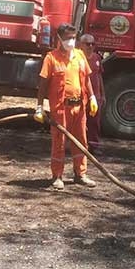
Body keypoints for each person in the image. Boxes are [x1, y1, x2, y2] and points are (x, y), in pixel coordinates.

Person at [34, 24, 99, 190]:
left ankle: (81, 174)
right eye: (68, 37)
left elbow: (86, 79)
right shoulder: (51, 58)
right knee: (59, 142)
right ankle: (57, 176)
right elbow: (43, 84)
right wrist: (39, 106)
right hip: (61, 108)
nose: (71, 41)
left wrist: (92, 97)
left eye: (73, 37)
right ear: (60, 39)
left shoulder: (79, 56)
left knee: (81, 141)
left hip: (79, 106)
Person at [78, 33, 105, 153]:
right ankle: (79, 146)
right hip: (80, 96)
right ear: (80, 45)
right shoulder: (76, 58)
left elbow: (99, 76)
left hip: (95, 96)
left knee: (94, 123)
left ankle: (94, 146)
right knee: (79, 122)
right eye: (87, 44)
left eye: (92, 44)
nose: (90, 46)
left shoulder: (97, 58)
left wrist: (102, 95)